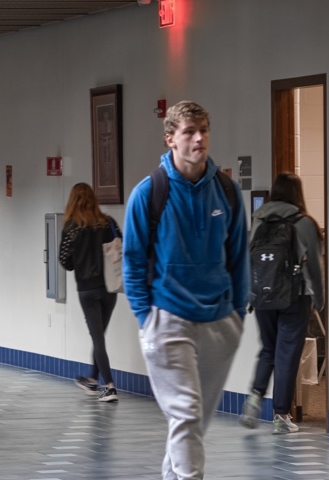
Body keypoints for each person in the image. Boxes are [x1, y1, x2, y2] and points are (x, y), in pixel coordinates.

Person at [121, 100, 249, 480]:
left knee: (192, 423)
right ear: (170, 139)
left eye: (204, 130)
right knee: (187, 414)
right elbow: (131, 261)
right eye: (189, 131)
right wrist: (147, 319)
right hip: (168, 319)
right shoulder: (149, 194)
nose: (199, 138)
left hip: (219, 322)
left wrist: (237, 314)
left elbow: (239, 256)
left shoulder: (226, 192)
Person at [237, 172, 323, 434]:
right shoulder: (303, 222)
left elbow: (250, 260)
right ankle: (281, 415)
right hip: (294, 296)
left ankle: (254, 397)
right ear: (297, 193)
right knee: (286, 355)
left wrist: (249, 296)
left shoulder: (259, 217)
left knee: (268, 350)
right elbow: (315, 267)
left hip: (262, 295)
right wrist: (318, 298)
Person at [57, 182, 122, 402]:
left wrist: (80, 259)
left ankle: (110, 386)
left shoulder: (71, 227)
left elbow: (65, 261)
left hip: (87, 289)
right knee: (99, 336)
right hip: (109, 287)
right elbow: (121, 244)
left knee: (97, 337)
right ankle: (93, 380)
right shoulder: (108, 222)